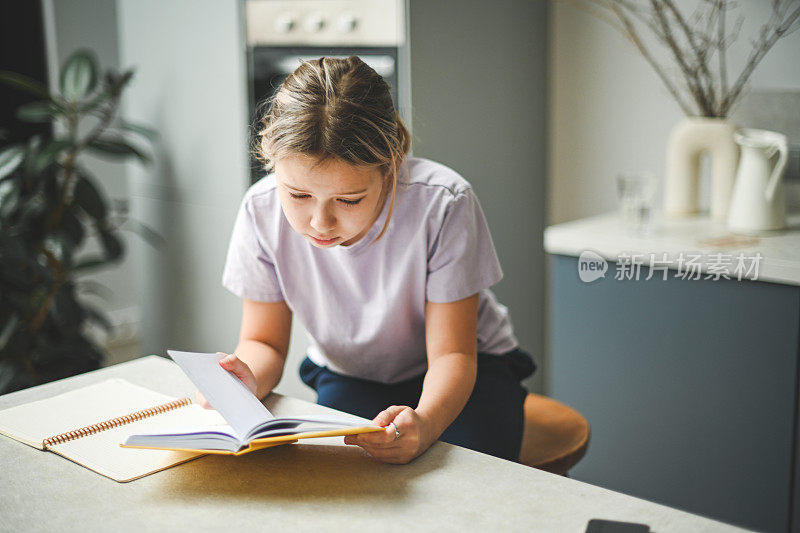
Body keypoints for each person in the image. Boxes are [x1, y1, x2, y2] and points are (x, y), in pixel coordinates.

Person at [207, 56, 535, 464]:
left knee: (468, 481)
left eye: (348, 199)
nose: (320, 222)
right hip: (350, 374)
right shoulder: (260, 210)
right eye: (298, 195)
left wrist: (426, 424)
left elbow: (454, 355)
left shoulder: (443, 203)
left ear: (391, 165)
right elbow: (264, 342)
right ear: (271, 157)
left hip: (469, 371)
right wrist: (246, 380)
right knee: (340, 483)